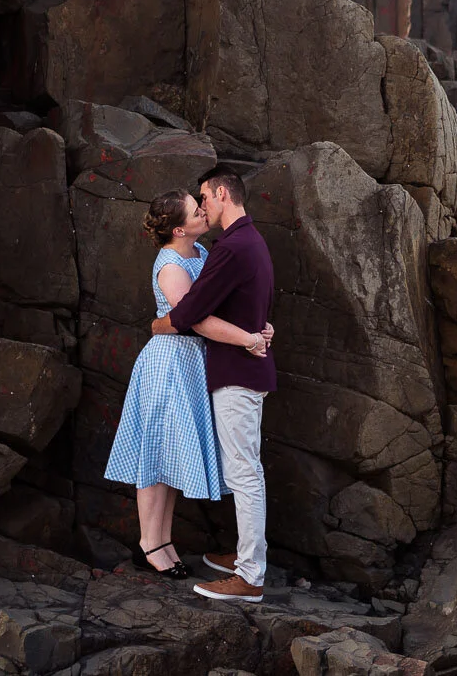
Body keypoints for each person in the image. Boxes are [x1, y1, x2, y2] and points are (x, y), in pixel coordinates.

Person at [103, 191, 271, 580]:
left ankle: (162, 539)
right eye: (197, 211)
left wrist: (256, 327)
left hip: (194, 363)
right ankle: (152, 543)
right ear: (179, 228)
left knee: (170, 456)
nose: (204, 210)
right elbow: (189, 319)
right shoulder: (171, 264)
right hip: (169, 363)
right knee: (156, 455)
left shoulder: (204, 254)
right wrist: (247, 339)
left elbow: (215, 307)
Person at [154, 164, 276, 603]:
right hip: (249, 370)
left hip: (237, 374)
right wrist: (260, 332)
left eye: (204, 196)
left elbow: (190, 314)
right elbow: (254, 307)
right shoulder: (253, 242)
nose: (202, 205)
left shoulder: (231, 248)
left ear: (223, 193)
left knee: (244, 475)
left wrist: (159, 324)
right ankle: (246, 556)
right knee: (247, 471)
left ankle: (250, 576)